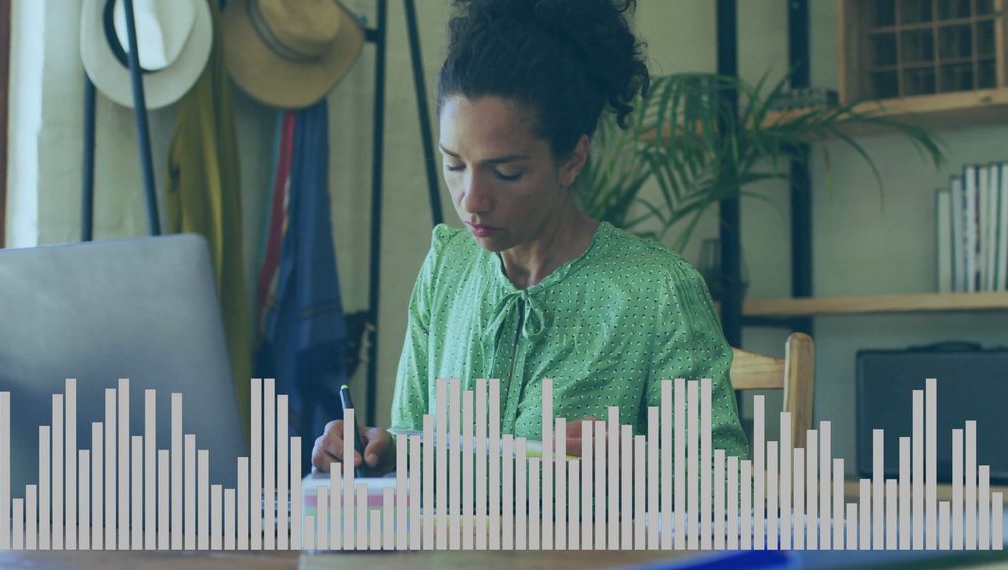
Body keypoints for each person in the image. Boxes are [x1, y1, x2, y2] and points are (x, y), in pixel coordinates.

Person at [312, 0, 750, 474]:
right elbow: (414, 439)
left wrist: (635, 465)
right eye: (454, 165)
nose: (472, 199)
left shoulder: (657, 292)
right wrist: (380, 450)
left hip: (586, 550)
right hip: (452, 549)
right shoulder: (447, 268)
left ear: (572, 160)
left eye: (506, 172)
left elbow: (726, 484)